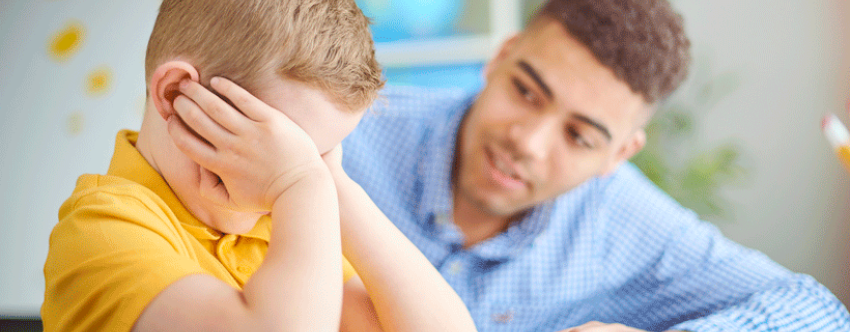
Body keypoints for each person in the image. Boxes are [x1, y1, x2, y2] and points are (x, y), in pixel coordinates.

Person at [176, 0, 850, 331]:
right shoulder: (346, 135)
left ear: (619, 155)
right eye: (527, 90)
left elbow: (818, 313)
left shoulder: (626, 221)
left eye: (581, 136)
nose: (528, 141)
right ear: (498, 59)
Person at [41, 0, 477, 331]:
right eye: (281, 145)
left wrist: (335, 187)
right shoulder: (102, 229)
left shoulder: (277, 228)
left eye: (319, 154)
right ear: (177, 95)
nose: (304, 169)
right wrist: (298, 184)